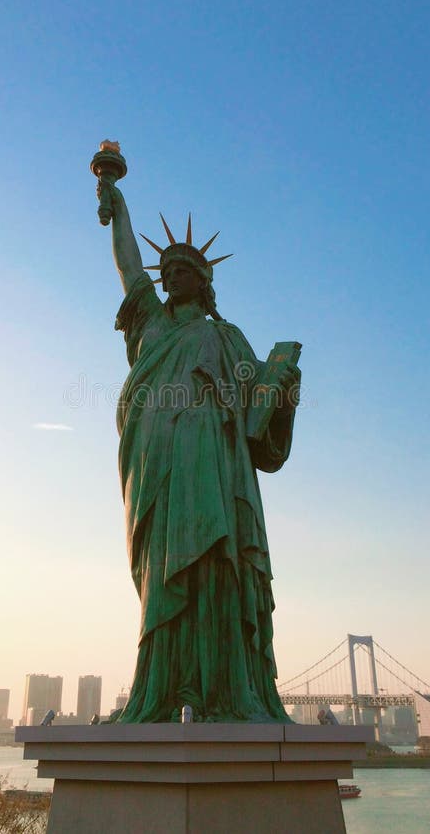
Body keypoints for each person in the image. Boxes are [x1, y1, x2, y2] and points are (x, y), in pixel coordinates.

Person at [102, 181, 300, 723]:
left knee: (217, 560)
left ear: (204, 279)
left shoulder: (226, 337)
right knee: (163, 570)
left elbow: (260, 416)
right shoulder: (152, 323)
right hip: (156, 460)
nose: (170, 276)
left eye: (182, 269)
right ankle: (164, 686)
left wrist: (283, 388)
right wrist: (117, 205)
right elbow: (127, 267)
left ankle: (223, 687)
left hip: (214, 459)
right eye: (165, 271)